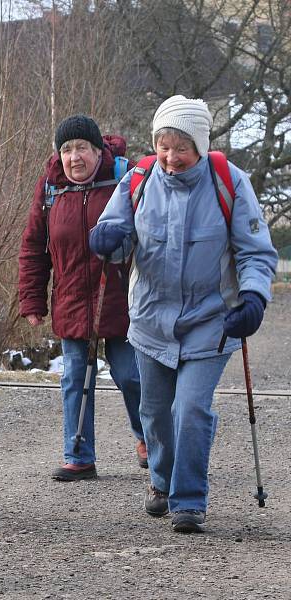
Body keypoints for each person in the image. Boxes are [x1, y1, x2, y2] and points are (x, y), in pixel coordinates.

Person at [90, 95, 277, 533]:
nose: (171, 157)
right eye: (163, 145)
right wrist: (106, 239)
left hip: (212, 322)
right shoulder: (138, 179)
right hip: (152, 320)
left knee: (191, 409)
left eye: (181, 147)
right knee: (154, 412)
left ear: (200, 146)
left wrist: (253, 299)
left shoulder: (229, 183)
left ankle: (189, 499)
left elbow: (255, 252)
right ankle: (161, 480)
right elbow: (112, 235)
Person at [19, 115, 146, 482]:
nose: (74, 157)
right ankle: (78, 455)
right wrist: (32, 300)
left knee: (131, 375)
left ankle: (148, 439)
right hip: (73, 299)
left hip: (122, 299)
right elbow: (33, 247)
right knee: (76, 377)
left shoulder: (126, 178)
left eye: (82, 148)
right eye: (66, 150)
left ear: (97, 150)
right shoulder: (50, 188)